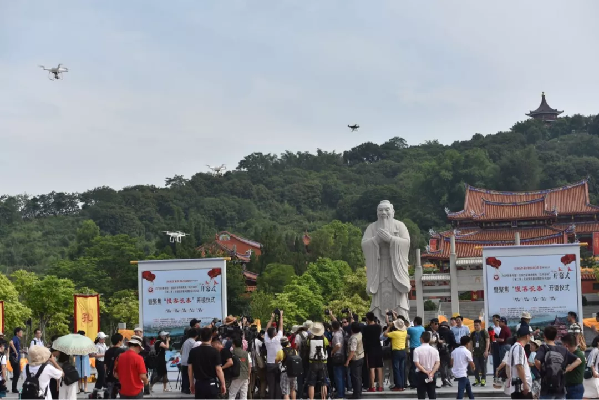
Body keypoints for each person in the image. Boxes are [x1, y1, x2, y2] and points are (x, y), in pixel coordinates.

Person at [534, 326, 581, 400]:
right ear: (555, 337)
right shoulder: (563, 349)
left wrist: (543, 369)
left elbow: (537, 361)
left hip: (546, 389)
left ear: (544, 336)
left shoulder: (543, 347)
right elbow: (578, 360)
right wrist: (566, 369)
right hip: (560, 389)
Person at [188, 327, 226, 399]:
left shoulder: (193, 351)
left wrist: (191, 383)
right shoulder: (215, 352)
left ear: (200, 337)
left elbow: (190, 369)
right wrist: (223, 384)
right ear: (211, 337)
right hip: (211, 383)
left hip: (199, 383)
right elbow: (218, 369)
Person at [413, 331, 440, 400]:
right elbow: (437, 363)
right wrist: (432, 372)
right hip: (431, 374)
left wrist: (425, 371)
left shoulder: (417, 350)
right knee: (432, 395)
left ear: (421, 339)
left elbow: (417, 363)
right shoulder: (435, 350)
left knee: (421, 395)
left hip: (421, 374)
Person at [362, 312, 383, 392]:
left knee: (371, 368)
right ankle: (380, 386)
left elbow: (364, 338)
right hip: (378, 347)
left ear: (367, 318)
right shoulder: (378, 327)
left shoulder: (366, 328)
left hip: (370, 349)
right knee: (379, 367)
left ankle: (372, 386)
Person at [384, 317, 407, 392]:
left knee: (396, 369)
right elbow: (400, 324)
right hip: (403, 351)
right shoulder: (405, 332)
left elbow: (385, 334)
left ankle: (399, 386)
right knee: (401, 369)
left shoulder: (394, 333)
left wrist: (389, 327)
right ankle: (402, 385)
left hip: (396, 351)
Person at [307, 322, 329, 400]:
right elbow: (327, 346)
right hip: (323, 362)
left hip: (312, 362)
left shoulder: (309, 340)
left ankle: (311, 398)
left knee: (311, 383)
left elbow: (307, 348)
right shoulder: (324, 339)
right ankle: (324, 398)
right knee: (324, 383)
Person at [265, 311, 284, 400]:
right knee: (278, 383)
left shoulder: (267, 340)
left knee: (271, 384)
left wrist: (272, 317)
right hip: (278, 364)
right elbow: (281, 326)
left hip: (269, 364)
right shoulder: (278, 339)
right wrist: (280, 315)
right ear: (275, 333)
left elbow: (267, 328)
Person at [509, 326, 532, 399]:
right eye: (530, 335)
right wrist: (525, 383)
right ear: (526, 336)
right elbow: (519, 366)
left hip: (519, 385)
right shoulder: (518, 348)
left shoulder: (515, 347)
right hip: (521, 387)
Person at [561, 333, 585, 400]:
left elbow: (569, 367)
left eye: (562, 344)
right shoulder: (569, 354)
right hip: (567, 386)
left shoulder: (578, 354)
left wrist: (564, 370)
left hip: (575, 388)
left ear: (566, 345)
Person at [344, 322, 364, 400]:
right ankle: (359, 392)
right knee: (358, 377)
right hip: (361, 356)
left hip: (355, 359)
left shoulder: (354, 338)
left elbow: (352, 351)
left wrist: (347, 361)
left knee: (355, 377)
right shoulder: (360, 334)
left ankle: (356, 394)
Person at [229, 335, 251, 400]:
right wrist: (248, 376)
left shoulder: (232, 353)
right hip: (245, 376)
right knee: (244, 395)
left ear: (234, 344)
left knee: (232, 394)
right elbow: (249, 366)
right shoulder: (246, 353)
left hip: (236, 376)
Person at [104, 333, 125, 399]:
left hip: (110, 375)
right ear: (119, 341)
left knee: (110, 395)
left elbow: (105, 365)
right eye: (122, 340)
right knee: (123, 395)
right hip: (120, 376)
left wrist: (106, 374)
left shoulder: (108, 351)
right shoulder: (122, 351)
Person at [407, 316, 425, 389]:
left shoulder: (411, 329)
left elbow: (404, 329)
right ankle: (420, 381)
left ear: (415, 322)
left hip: (414, 348)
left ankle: (414, 383)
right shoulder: (422, 328)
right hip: (421, 347)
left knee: (414, 365)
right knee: (420, 364)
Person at [470, 319, 490, 387]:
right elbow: (471, 343)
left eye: (477, 325)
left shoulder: (484, 332)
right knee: (475, 367)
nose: (476, 327)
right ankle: (477, 380)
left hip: (483, 353)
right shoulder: (473, 333)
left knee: (483, 367)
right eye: (474, 325)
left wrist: (486, 351)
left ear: (480, 325)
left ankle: (483, 380)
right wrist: (471, 352)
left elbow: (487, 342)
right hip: (475, 353)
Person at [330, 320, 346, 399]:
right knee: (341, 376)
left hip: (337, 356)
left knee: (338, 376)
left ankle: (340, 394)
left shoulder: (336, 335)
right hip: (342, 355)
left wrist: (332, 351)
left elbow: (338, 345)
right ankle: (342, 392)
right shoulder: (341, 332)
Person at [181, 328, 198, 395]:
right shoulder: (193, 343)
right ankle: (187, 389)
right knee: (189, 375)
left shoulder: (186, 341)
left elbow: (181, 351)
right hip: (189, 362)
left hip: (183, 361)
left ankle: (184, 389)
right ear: (196, 335)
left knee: (184, 376)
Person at [9, 327, 23, 394]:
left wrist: (21, 351)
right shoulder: (15, 338)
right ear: (17, 333)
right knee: (16, 373)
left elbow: (17, 348)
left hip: (16, 359)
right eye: (21, 332)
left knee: (17, 373)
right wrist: (16, 352)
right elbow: (11, 343)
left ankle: (14, 388)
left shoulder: (18, 339)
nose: (22, 333)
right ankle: (14, 388)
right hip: (14, 359)